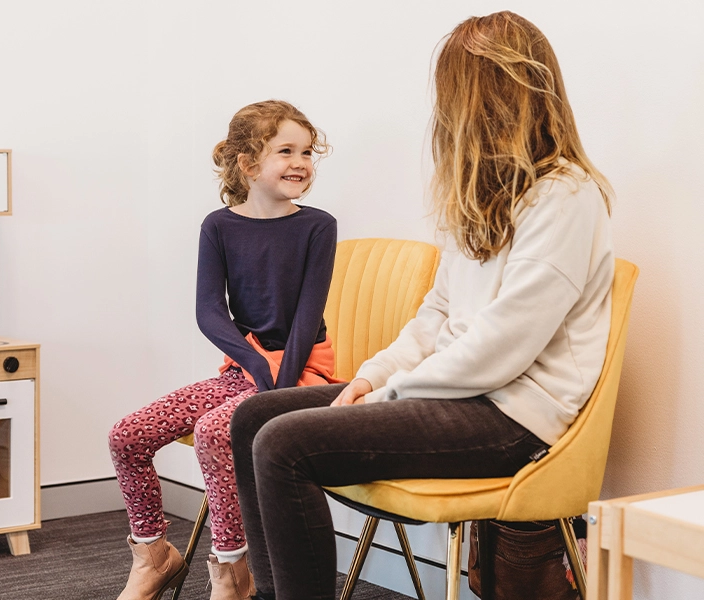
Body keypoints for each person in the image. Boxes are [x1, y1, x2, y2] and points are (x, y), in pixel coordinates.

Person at [229, 11, 614, 600]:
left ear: (494, 98)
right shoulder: (480, 195)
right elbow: (436, 313)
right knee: (254, 417)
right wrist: (370, 376)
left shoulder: (566, 196)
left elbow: (502, 350)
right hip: (462, 394)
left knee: (284, 444)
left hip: (515, 417)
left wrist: (385, 397)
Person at [109, 100, 338, 600]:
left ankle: (231, 568)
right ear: (249, 163)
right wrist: (253, 365)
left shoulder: (318, 225)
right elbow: (210, 311)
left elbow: (306, 316)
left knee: (217, 431)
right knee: (128, 435)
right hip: (245, 371)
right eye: (286, 151)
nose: (301, 162)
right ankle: (153, 554)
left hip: (302, 376)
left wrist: (275, 384)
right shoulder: (219, 226)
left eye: (306, 151)